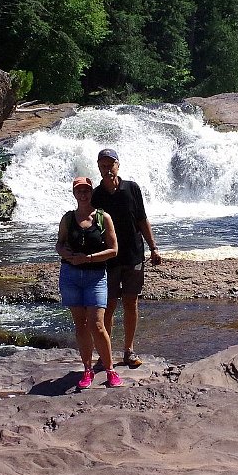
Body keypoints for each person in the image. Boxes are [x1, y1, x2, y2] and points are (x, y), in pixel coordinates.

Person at [91, 148, 162, 369]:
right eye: (102, 166)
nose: (107, 169)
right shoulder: (96, 195)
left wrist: (153, 247)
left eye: (110, 165)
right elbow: (91, 226)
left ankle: (129, 351)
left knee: (131, 303)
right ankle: (106, 355)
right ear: (99, 168)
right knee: (109, 305)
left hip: (133, 254)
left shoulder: (132, 188)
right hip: (109, 258)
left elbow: (142, 219)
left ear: (117, 165)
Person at [56, 176, 122, 389]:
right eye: (79, 191)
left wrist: (89, 258)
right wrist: (65, 252)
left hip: (95, 277)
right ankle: (87, 370)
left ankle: (110, 370)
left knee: (97, 324)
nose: (83, 194)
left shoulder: (103, 218)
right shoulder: (67, 218)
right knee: (81, 325)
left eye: (86, 190)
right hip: (71, 276)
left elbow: (114, 250)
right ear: (74, 193)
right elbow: (59, 244)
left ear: (91, 192)